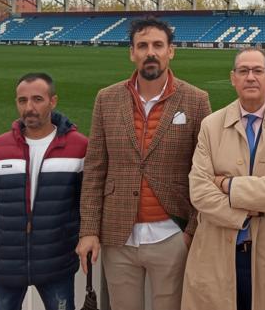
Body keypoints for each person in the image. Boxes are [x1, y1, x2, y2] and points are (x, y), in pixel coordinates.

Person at [76, 17, 211, 310]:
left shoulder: (197, 100)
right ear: (132, 53)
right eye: (143, 45)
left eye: (158, 45)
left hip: (172, 235)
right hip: (118, 236)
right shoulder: (107, 99)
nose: (151, 52)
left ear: (170, 51)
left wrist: (191, 232)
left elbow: (204, 171)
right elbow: (95, 168)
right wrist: (88, 230)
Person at [181, 47, 265, 310]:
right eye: (243, 71)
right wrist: (245, 214)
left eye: (257, 71)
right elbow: (200, 192)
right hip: (218, 252)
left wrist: (228, 185)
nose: (251, 77)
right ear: (233, 78)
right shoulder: (211, 125)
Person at [0, 73, 87, 310]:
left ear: (53, 101)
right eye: (22, 101)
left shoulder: (80, 147)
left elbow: (85, 203)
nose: (29, 108)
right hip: (6, 264)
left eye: (37, 99)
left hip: (56, 262)